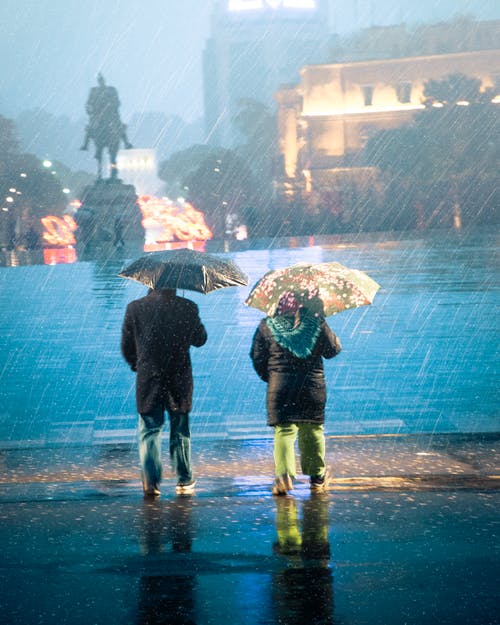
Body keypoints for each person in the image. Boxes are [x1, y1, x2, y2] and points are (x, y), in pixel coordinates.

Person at [250, 292, 341, 495]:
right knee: (312, 430)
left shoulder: (267, 325)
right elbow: (333, 350)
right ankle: (317, 477)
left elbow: (257, 358)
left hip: (280, 389)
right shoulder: (316, 323)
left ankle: (283, 476)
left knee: (284, 431)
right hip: (311, 387)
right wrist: (321, 318)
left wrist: (273, 377)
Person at [121, 287, 207, 497]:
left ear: (150, 283)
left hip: (149, 379)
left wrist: (138, 365)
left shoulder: (135, 308)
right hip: (178, 378)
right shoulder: (187, 307)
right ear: (175, 284)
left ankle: (151, 482)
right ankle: (184, 479)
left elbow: (127, 347)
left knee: (149, 430)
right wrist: (189, 317)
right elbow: (200, 339)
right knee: (180, 430)